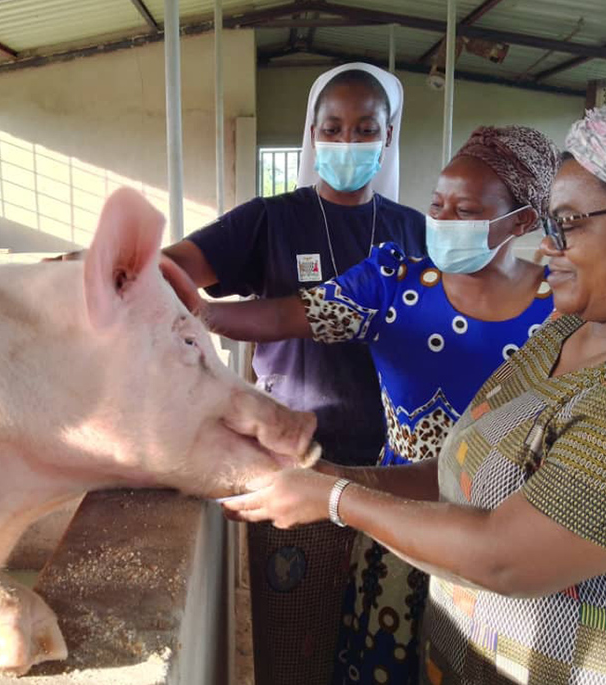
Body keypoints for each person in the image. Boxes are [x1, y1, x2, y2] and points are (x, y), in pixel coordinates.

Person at [216, 95, 606, 685]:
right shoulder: (571, 330)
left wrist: (335, 502)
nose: (548, 249)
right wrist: (332, 475)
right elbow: (466, 473)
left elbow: (507, 557)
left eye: (566, 225)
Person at [167, 125, 561, 684]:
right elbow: (284, 316)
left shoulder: (561, 311)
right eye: (437, 204)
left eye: (466, 210)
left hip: (506, 523)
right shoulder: (393, 279)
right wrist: (181, 311)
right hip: (395, 515)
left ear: (520, 222)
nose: (443, 222)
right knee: (385, 659)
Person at [164, 63, 425, 685]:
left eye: (366, 129)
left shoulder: (412, 229)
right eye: (333, 128)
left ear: (388, 137)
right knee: (293, 624)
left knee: (384, 629)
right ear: (313, 134)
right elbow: (175, 271)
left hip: (397, 463)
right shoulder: (271, 220)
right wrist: (106, 269)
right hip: (293, 456)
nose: (348, 142)